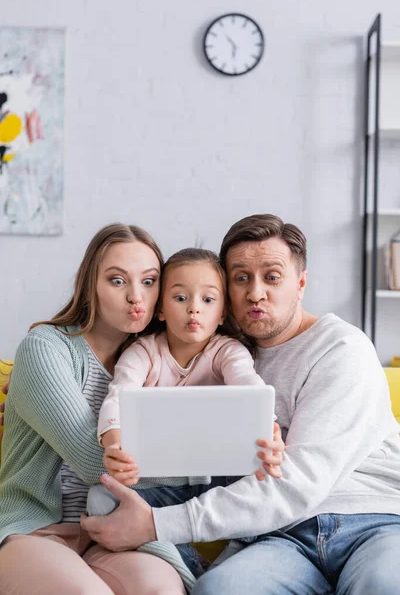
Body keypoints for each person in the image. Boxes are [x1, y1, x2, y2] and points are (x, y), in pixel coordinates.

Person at [82, 213, 400, 595]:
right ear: (225, 290)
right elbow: (134, 367)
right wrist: (44, 378)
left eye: (272, 276)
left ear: (300, 284)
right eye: (241, 278)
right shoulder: (220, 353)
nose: (256, 293)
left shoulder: (341, 348)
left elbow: (298, 485)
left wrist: (157, 523)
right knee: (218, 590)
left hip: (373, 521)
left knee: (384, 584)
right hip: (280, 538)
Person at [0, 222, 283, 595]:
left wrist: (257, 441)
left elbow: (238, 393)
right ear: (91, 286)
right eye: (117, 281)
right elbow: (93, 461)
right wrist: (221, 463)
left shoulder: (154, 358)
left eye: (149, 282)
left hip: (118, 529)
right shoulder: (46, 348)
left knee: (163, 590)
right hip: (38, 527)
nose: (136, 296)